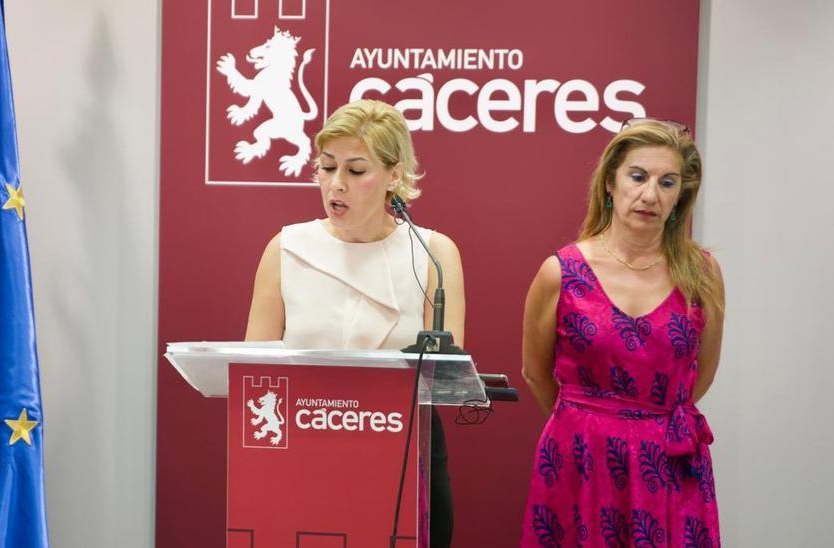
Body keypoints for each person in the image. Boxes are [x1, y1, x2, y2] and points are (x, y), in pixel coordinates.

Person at [245, 99, 464, 547]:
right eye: (327, 167)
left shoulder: (433, 255)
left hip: (405, 454)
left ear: (394, 175)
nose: (335, 184)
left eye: (356, 170)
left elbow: (446, 376)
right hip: (302, 453)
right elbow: (254, 371)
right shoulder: (286, 248)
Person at [518, 119, 725, 547]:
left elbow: (701, 375)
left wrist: (645, 425)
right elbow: (535, 372)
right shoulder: (561, 271)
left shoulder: (702, 274)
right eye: (638, 177)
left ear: (680, 196)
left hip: (669, 467)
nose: (650, 194)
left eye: (667, 183)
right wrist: (586, 425)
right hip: (579, 463)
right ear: (610, 183)